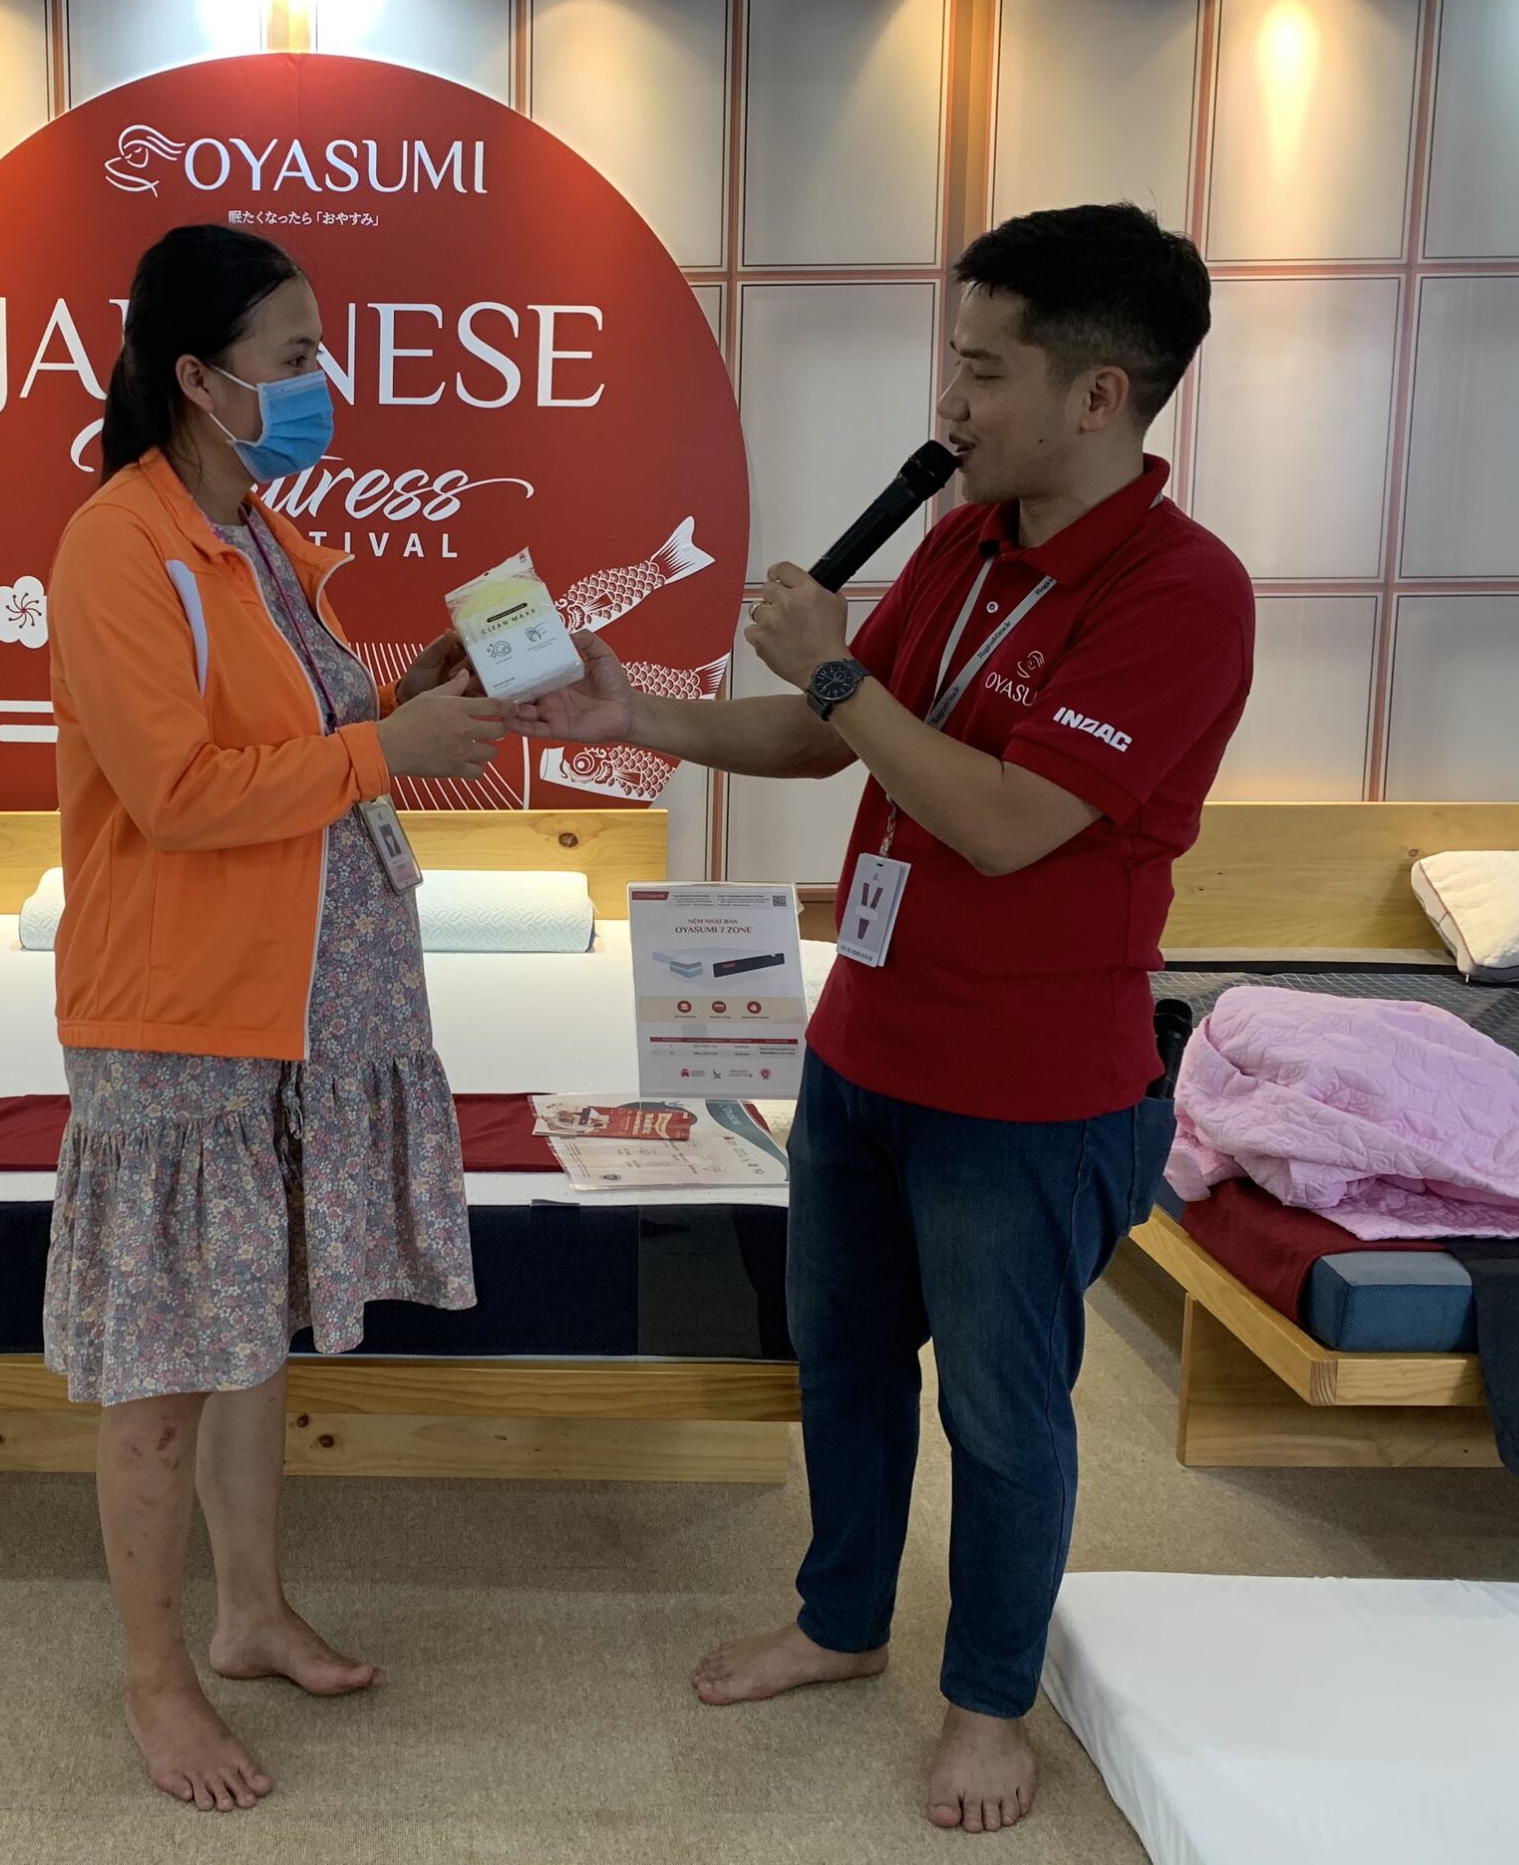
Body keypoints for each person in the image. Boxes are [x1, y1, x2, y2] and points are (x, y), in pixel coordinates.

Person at [513, 203, 1255, 1834]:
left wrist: (842, 676)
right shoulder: (965, 548)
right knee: (844, 1366)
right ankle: (841, 1620)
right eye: (953, 363)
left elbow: (1003, 822)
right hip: (862, 1049)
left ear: (1099, 395)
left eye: (985, 371)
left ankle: (988, 1703)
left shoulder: (1185, 594)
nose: (950, 403)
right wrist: (638, 714)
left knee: (1002, 1415)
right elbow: (826, 740)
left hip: (1029, 1094)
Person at [43, 223, 507, 1813]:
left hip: (300, 1003)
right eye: (295, 358)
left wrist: (399, 699)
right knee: (168, 1361)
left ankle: (247, 1617)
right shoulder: (119, 547)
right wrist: (386, 753)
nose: (322, 384)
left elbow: (300, 735)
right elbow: (176, 795)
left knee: (252, 1329)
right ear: (198, 376)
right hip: (179, 1014)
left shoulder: (255, 532)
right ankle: (155, 1679)